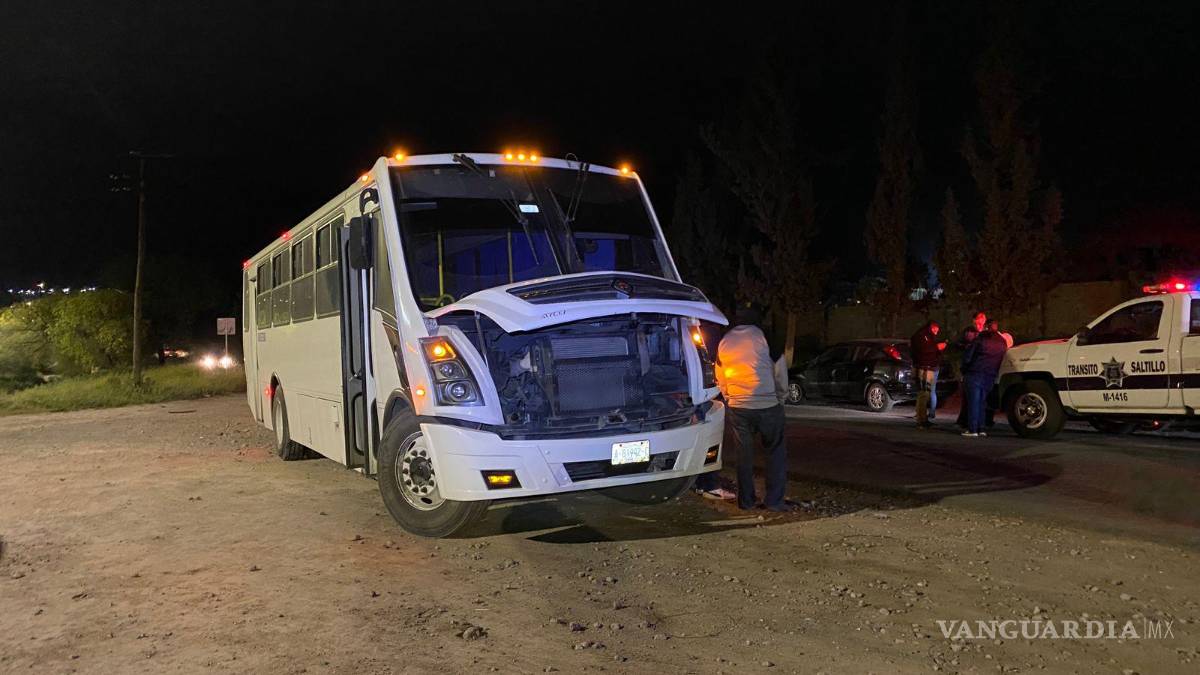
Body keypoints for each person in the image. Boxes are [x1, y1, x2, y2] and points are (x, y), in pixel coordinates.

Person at [715, 305, 796, 511]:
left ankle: (746, 502)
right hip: (768, 404)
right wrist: (781, 398)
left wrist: (729, 398)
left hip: (738, 407)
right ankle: (774, 501)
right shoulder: (766, 337)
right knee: (775, 452)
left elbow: (720, 375)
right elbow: (780, 372)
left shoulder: (725, 341)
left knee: (744, 456)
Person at [959, 325, 1008, 437]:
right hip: (990, 375)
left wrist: (964, 369)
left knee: (973, 402)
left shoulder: (981, 340)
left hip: (975, 373)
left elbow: (968, 358)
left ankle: (972, 429)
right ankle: (981, 428)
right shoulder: (1002, 342)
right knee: (982, 402)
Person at [910, 320, 947, 428]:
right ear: (931, 327)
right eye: (936, 328)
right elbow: (925, 350)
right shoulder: (923, 336)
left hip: (927, 367)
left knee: (924, 393)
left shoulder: (926, 336)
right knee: (924, 393)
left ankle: (922, 418)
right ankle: (921, 420)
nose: (937, 330)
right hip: (925, 369)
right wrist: (937, 347)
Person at [955, 311, 989, 428]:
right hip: (970, 368)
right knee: (968, 396)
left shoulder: (985, 332)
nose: (982, 320)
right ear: (974, 320)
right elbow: (962, 346)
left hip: (981, 366)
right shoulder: (970, 331)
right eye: (980, 318)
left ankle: (981, 421)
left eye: (983, 318)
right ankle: (964, 421)